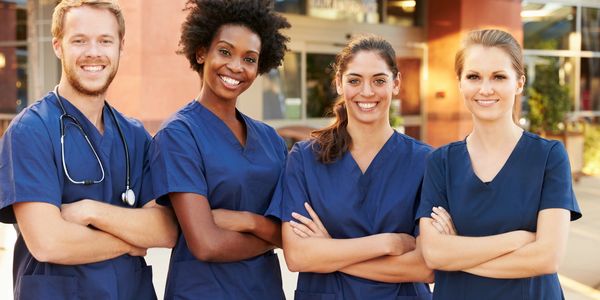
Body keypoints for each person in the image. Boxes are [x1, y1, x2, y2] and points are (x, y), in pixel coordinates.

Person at [0, 1, 178, 299]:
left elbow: (166, 230)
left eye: (105, 40)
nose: (93, 52)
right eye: (79, 40)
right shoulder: (30, 131)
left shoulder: (133, 136)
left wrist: (89, 211)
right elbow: (49, 242)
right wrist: (130, 241)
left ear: (121, 46)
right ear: (58, 45)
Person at [416, 29, 582, 299]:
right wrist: (517, 240)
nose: (485, 89)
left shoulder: (549, 156)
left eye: (499, 76)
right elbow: (434, 254)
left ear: (519, 83)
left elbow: (546, 258)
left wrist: (458, 251)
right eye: (473, 77)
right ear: (460, 82)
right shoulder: (441, 162)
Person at [270, 35, 434, 300]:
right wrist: (388, 243)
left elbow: (425, 267)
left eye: (379, 80)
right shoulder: (304, 159)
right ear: (338, 83)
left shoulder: (425, 162)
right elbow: (298, 256)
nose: (367, 92)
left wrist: (329, 251)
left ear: (396, 84)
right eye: (354, 80)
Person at [147, 0, 290, 298]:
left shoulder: (270, 140)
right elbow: (206, 244)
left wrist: (246, 220)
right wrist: (270, 237)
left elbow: (289, 233)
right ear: (201, 53)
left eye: (249, 59)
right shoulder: (179, 134)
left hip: (265, 290)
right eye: (225, 52)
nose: (236, 67)